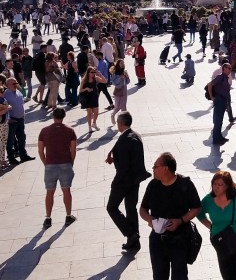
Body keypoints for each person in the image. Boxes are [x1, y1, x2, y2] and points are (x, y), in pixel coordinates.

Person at [139, 152, 202, 280]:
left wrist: (180, 220)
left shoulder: (185, 184)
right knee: (159, 276)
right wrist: (149, 219)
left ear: (166, 168)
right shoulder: (153, 185)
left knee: (179, 276)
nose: (153, 169)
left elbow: (196, 207)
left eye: (156, 166)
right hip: (157, 240)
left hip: (180, 240)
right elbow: (143, 209)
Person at [107, 112, 151, 255]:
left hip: (124, 181)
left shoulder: (126, 140)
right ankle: (134, 241)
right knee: (130, 208)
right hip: (135, 180)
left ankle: (131, 234)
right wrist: (113, 154)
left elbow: (124, 166)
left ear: (121, 123)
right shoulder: (135, 135)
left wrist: (115, 182)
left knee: (112, 207)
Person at [38, 107, 78, 228]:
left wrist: (46, 163)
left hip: (50, 165)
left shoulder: (44, 131)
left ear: (53, 116)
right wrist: (71, 162)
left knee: (49, 192)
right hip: (65, 163)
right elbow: (73, 150)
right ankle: (68, 216)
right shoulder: (70, 131)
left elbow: (40, 150)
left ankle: (48, 218)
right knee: (66, 191)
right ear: (64, 116)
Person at [3, 77, 34, 164]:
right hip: (12, 120)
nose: (16, 85)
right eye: (14, 84)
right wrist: (8, 119)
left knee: (22, 138)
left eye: (16, 83)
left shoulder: (18, 92)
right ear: (8, 85)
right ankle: (11, 158)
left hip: (20, 119)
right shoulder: (5, 95)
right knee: (10, 140)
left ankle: (23, 155)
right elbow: (3, 108)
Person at [207, 63, 234, 146]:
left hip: (223, 100)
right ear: (224, 68)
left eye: (231, 68)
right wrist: (212, 97)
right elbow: (210, 84)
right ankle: (216, 139)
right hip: (219, 100)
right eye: (229, 68)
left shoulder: (225, 77)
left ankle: (219, 137)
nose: (230, 70)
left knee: (220, 120)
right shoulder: (220, 77)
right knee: (217, 121)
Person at [79, 67, 105, 132]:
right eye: (92, 72)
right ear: (88, 73)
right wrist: (86, 89)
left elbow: (105, 81)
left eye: (94, 72)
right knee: (89, 113)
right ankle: (89, 127)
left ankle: (94, 123)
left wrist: (101, 75)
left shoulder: (96, 78)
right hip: (87, 97)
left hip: (94, 96)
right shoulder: (84, 80)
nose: (93, 73)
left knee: (96, 112)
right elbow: (80, 90)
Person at [110, 59, 131, 125]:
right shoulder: (115, 72)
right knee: (117, 107)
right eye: (121, 63)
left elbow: (128, 82)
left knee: (123, 106)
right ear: (118, 64)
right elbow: (113, 82)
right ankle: (112, 115)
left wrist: (127, 76)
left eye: (123, 63)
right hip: (118, 90)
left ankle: (124, 122)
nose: (123, 64)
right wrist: (120, 78)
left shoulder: (124, 71)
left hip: (124, 89)